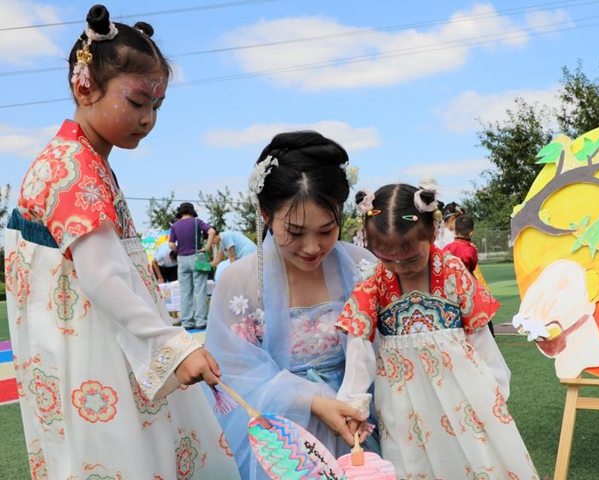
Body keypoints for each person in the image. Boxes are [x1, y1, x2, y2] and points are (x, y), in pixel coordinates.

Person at [2, 6, 240, 479]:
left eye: (157, 105)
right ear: (84, 85)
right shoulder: (74, 168)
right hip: (90, 350)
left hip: (95, 340)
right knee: (118, 455)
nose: (148, 118)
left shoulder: (83, 161)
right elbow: (103, 276)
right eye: (136, 101)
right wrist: (174, 344)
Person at [204, 131, 380, 480]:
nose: (312, 247)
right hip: (281, 443)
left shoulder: (363, 267)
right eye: (296, 233)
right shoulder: (239, 281)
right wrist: (310, 400)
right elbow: (233, 373)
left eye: (327, 230)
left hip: (360, 428)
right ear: (266, 214)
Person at [336, 182, 539, 479]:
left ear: (433, 231)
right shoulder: (375, 280)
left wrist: (494, 388)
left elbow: (479, 334)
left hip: (463, 389)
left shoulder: (453, 270)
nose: (400, 267)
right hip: (403, 398)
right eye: (387, 259)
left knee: (480, 456)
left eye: (411, 258)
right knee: (413, 463)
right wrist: (353, 402)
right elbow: (359, 344)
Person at [445, 214, 495, 336]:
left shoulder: (447, 247)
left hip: (449, 286)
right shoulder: (470, 250)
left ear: (455, 230)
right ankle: (487, 334)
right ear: (471, 233)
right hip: (467, 286)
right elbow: (472, 266)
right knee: (481, 309)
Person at [168, 202, 217, 329]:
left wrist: (178, 248)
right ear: (192, 211)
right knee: (199, 290)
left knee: (185, 292)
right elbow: (211, 231)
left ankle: (187, 322)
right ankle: (201, 321)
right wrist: (206, 247)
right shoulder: (196, 222)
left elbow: (171, 245)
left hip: (182, 259)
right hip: (197, 258)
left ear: (180, 212)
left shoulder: (175, 225)